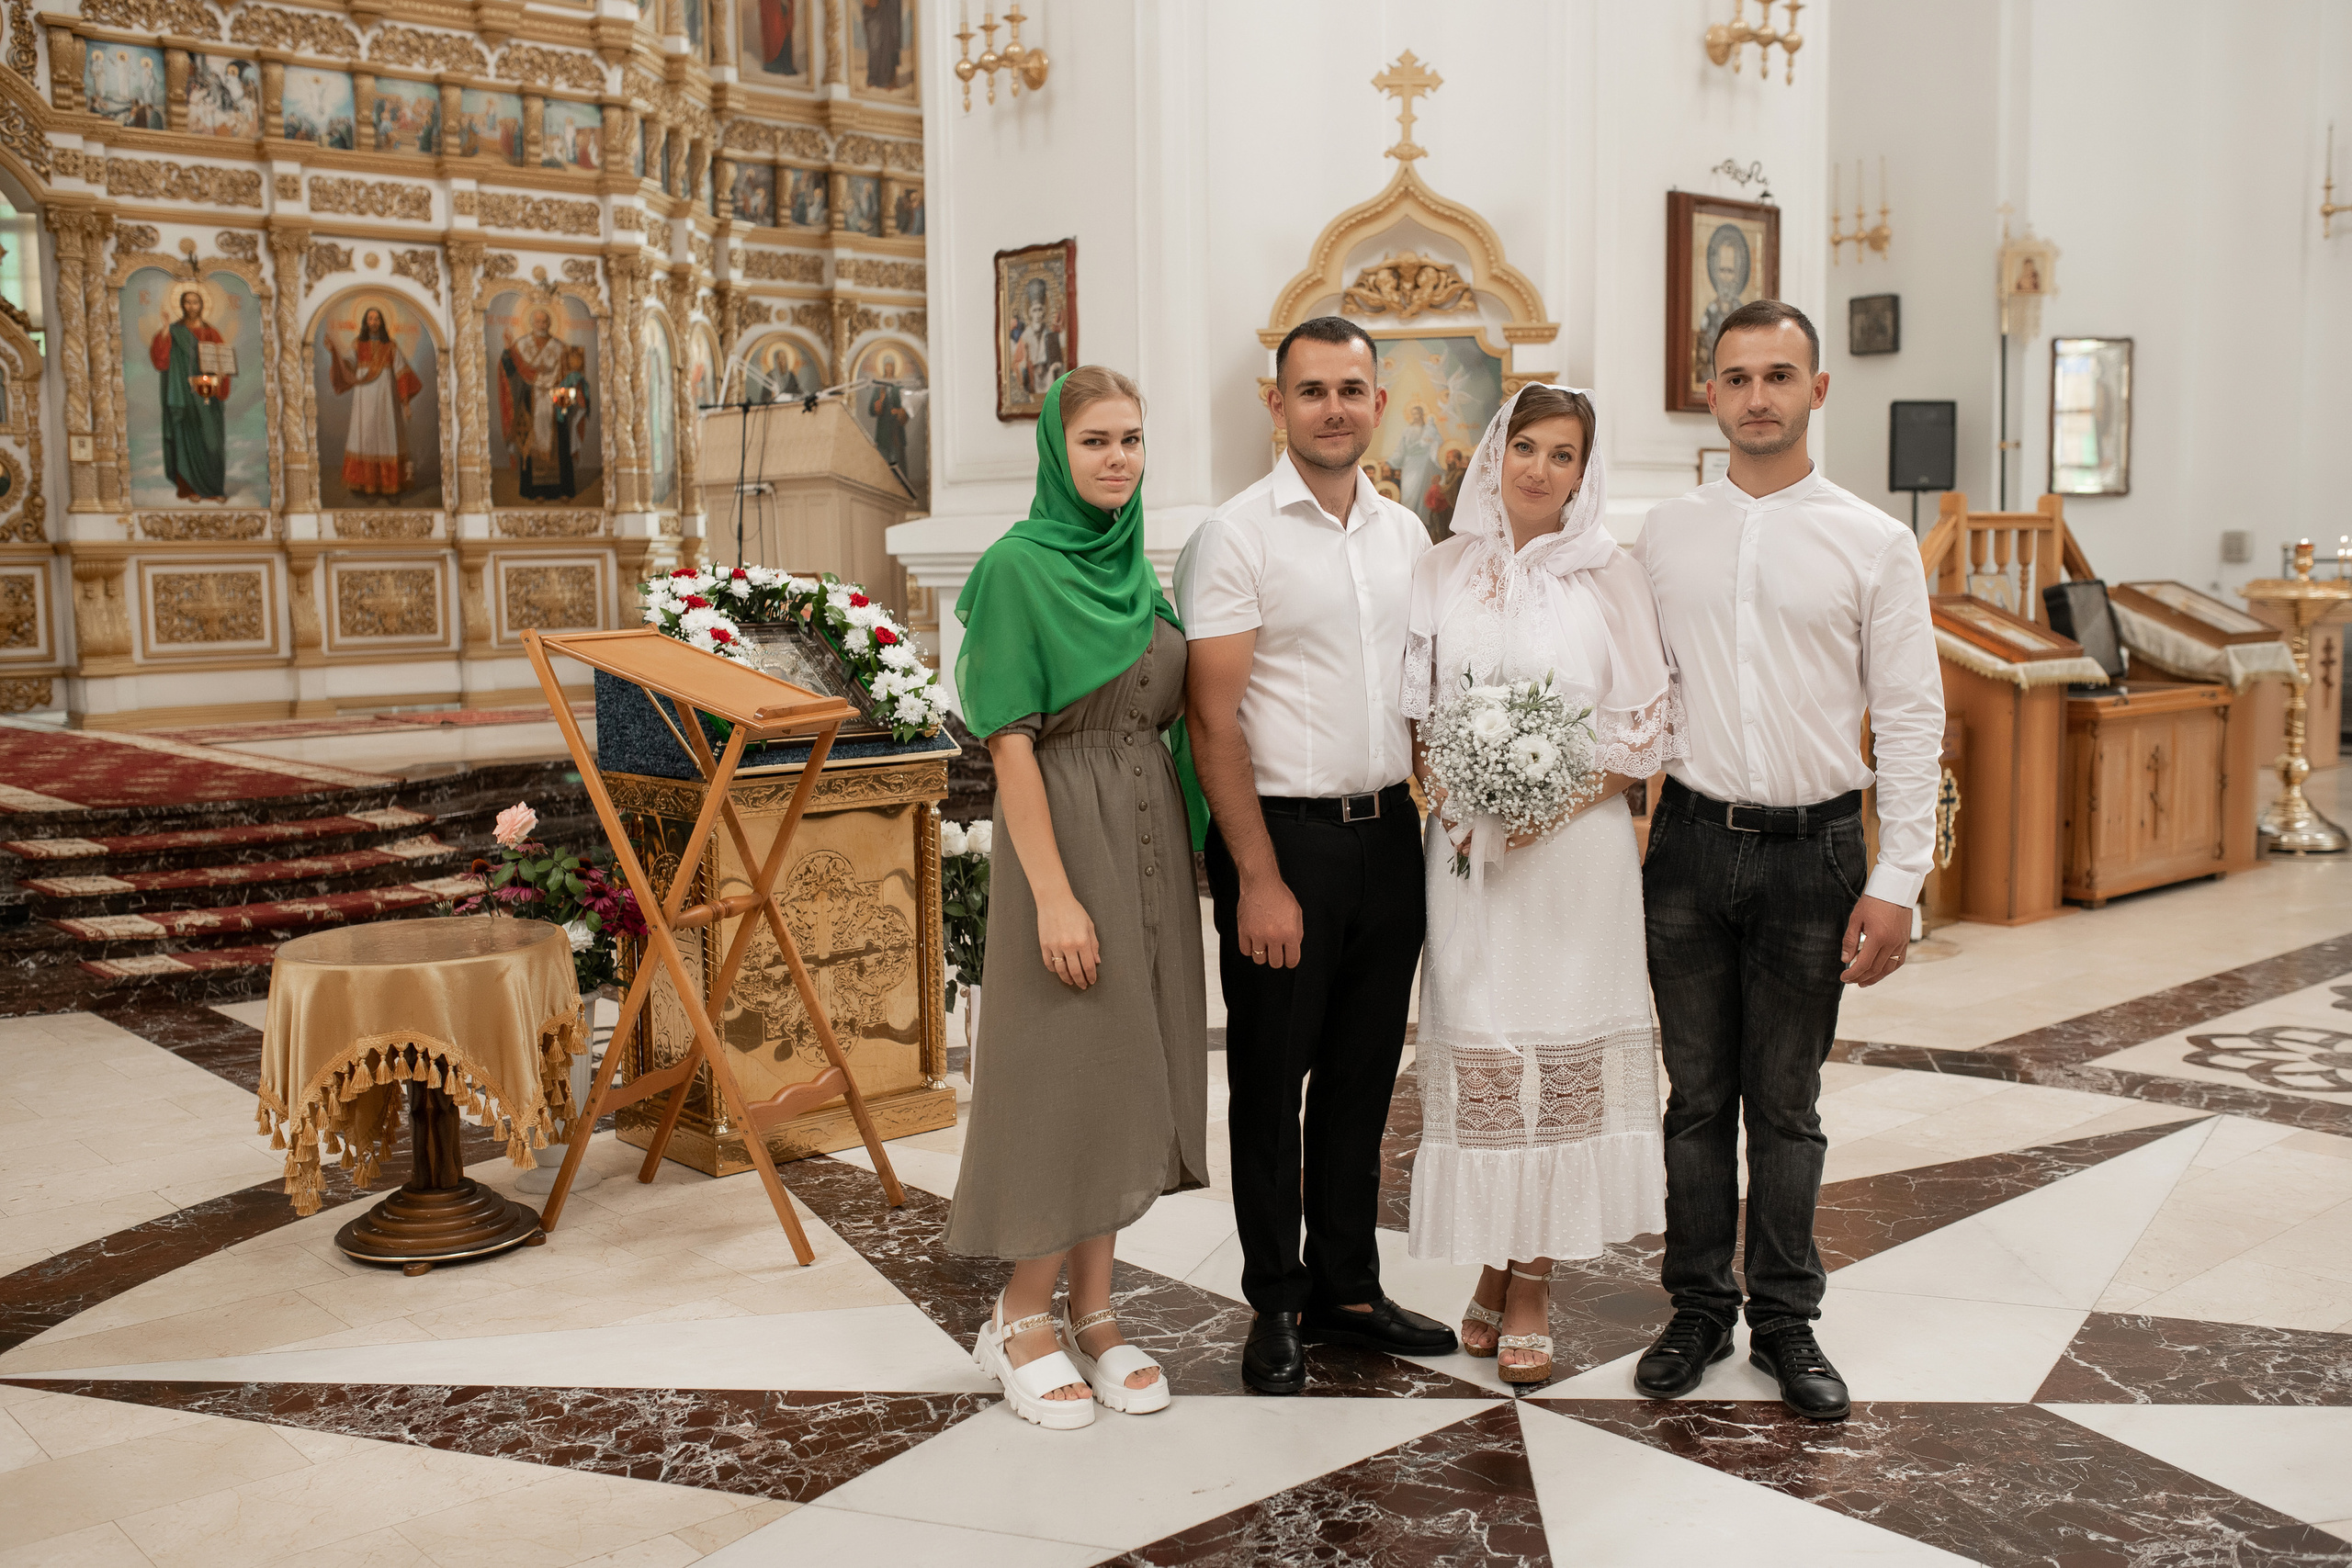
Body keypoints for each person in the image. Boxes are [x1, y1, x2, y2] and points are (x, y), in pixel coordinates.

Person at [1631, 299, 1942, 1422]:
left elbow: (1911, 718)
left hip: (1818, 851)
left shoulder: (1873, 540)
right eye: (1735, 376)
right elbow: (1635, 688)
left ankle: (1785, 1320)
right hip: (1687, 843)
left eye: (1779, 374)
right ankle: (1696, 1307)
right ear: (1708, 395)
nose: (1756, 394)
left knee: (1788, 1102)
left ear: (1817, 390)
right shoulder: (1662, 534)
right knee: (1697, 1098)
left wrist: (1899, 879)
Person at [1177, 316, 1454, 1397]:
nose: (1333, 407)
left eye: (1351, 388)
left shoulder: (1404, 536)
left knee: (1358, 1082)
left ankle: (1349, 1289)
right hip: (1283, 839)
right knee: (1268, 1082)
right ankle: (1277, 1304)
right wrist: (1254, 876)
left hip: (1389, 836)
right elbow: (1212, 720)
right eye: (1311, 391)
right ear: (1275, 402)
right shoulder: (1236, 536)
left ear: (1378, 402)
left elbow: (1422, 692)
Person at [944, 367, 1208, 1430]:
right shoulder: (1017, 568)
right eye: (1095, 440)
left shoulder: (1137, 571)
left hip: (1144, 838)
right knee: (1060, 1075)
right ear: (1057, 451)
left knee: (1123, 1078)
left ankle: (1095, 1312)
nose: (1116, 459)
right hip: (1064, 842)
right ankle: (1019, 1317)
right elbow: (1010, 745)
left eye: (1132, 440)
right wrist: (1053, 898)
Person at [1402, 385, 1679, 1387]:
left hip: (1575, 855)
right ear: (1494, 452)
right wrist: (1457, 789)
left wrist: (1544, 800)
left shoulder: (1614, 577)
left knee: (1556, 1055)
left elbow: (1645, 731)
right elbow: (1414, 710)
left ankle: (1527, 1284)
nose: (1540, 469)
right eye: (1526, 446)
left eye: (1564, 455)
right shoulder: (1437, 570)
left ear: (1583, 473)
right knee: (1485, 1049)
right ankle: (1491, 1258)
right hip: (1469, 857)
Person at [328, 307, 424, 500]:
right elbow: (347, 367)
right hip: (365, 399)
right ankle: (365, 484)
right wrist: (334, 353)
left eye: (377, 318)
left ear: (382, 322)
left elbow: (402, 373)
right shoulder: (357, 345)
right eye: (370, 318)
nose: (374, 322)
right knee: (366, 435)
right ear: (365, 322)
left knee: (388, 435)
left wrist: (405, 403)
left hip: (387, 399)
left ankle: (390, 484)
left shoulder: (391, 347)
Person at [150, 289, 231, 502]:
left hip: (207, 394)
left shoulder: (212, 333)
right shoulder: (175, 331)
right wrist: (166, 328)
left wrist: (222, 375)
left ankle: (214, 489)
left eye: (195, 302)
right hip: (183, 394)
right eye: (187, 302)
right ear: (182, 305)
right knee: (184, 439)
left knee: (212, 442)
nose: (191, 306)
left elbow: (223, 359)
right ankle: (189, 489)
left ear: (202, 305)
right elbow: (161, 360)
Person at [497, 308, 575, 500]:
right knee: (530, 443)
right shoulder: (521, 345)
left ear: (550, 323)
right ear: (532, 323)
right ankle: (536, 491)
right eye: (539, 322)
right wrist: (507, 349)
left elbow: (570, 375)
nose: (543, 325)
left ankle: (563, 490)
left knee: (560, 440)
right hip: (530, 398)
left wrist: (567, 401)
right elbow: (509, 370)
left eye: (546, 322)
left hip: (556, 397)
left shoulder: (560, 347)